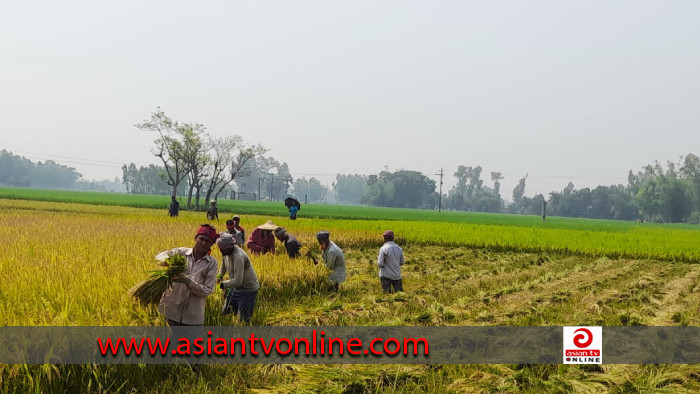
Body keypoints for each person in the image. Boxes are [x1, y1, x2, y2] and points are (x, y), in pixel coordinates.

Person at [156, 224, 219, 326]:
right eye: (201, 239)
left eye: (207, 241)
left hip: (192, 318)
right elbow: (160, 256)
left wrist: (187, 282)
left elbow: (207, 290)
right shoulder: (181, 253)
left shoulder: (211, 263)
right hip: (170, 311)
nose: (203, 243)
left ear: (211, 244)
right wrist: (168, 262)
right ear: (195, 238)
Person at [216, 233, 260, 323]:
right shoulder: (226, 253)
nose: (220, 250)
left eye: (221, 249)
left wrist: (223, 285)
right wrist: (219, 276)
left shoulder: (238, 256)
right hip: (235, 288)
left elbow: (238, 280)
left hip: (247, 290)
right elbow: (224, 265)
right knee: (225, 312)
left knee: (243, 320)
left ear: (228, 248)